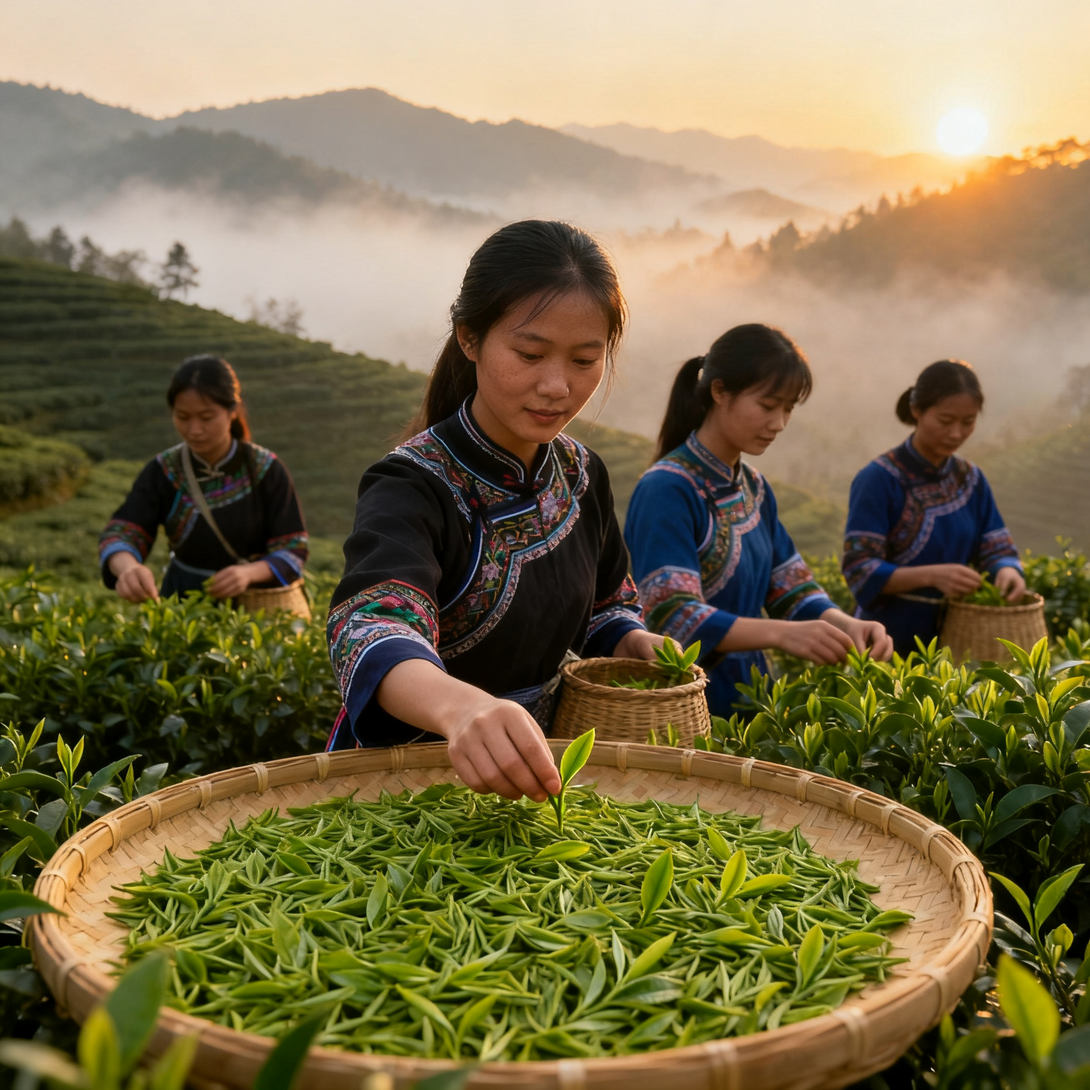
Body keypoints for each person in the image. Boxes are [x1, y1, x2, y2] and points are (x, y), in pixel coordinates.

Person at [326, 220, 662, 802]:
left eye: (585, 360)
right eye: (530, 354)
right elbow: (373, 628)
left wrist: (634, 642)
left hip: (538, 774)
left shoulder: (583, 476)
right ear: (470, 338)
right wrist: (463, 709)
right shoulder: (412, 484)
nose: (557, 386)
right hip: (411, 780)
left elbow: (607, 605)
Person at [624, 324, 893, 718]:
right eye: (768, 406)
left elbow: (790, 585)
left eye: (788, 409)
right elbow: (674, 614)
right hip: (682, 706)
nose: (779, 423)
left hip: (751, 698)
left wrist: (843, 624)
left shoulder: (754, 487)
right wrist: (783, 634)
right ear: (719, 392)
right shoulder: (667, 489)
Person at [842, 359, 1025, 655]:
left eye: (968, 422)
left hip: (958, 640)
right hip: (885, 641)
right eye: (945, 421)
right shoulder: (878, 480)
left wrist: (1007, 570)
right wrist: (933, 576)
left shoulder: (971, 479)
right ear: (917, 411)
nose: (956, 433)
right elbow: (859, 569)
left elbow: (996, 547)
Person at [98, 355, 309, 602]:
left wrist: (248, 573)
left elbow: (294, 549)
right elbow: (123, 532)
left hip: (257, 606)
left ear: (232, 411)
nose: (194, 430)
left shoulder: (265, 469)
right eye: (183, 417)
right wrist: (128, 568)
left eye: (207, 417)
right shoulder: (164, 471)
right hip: (184, 601)